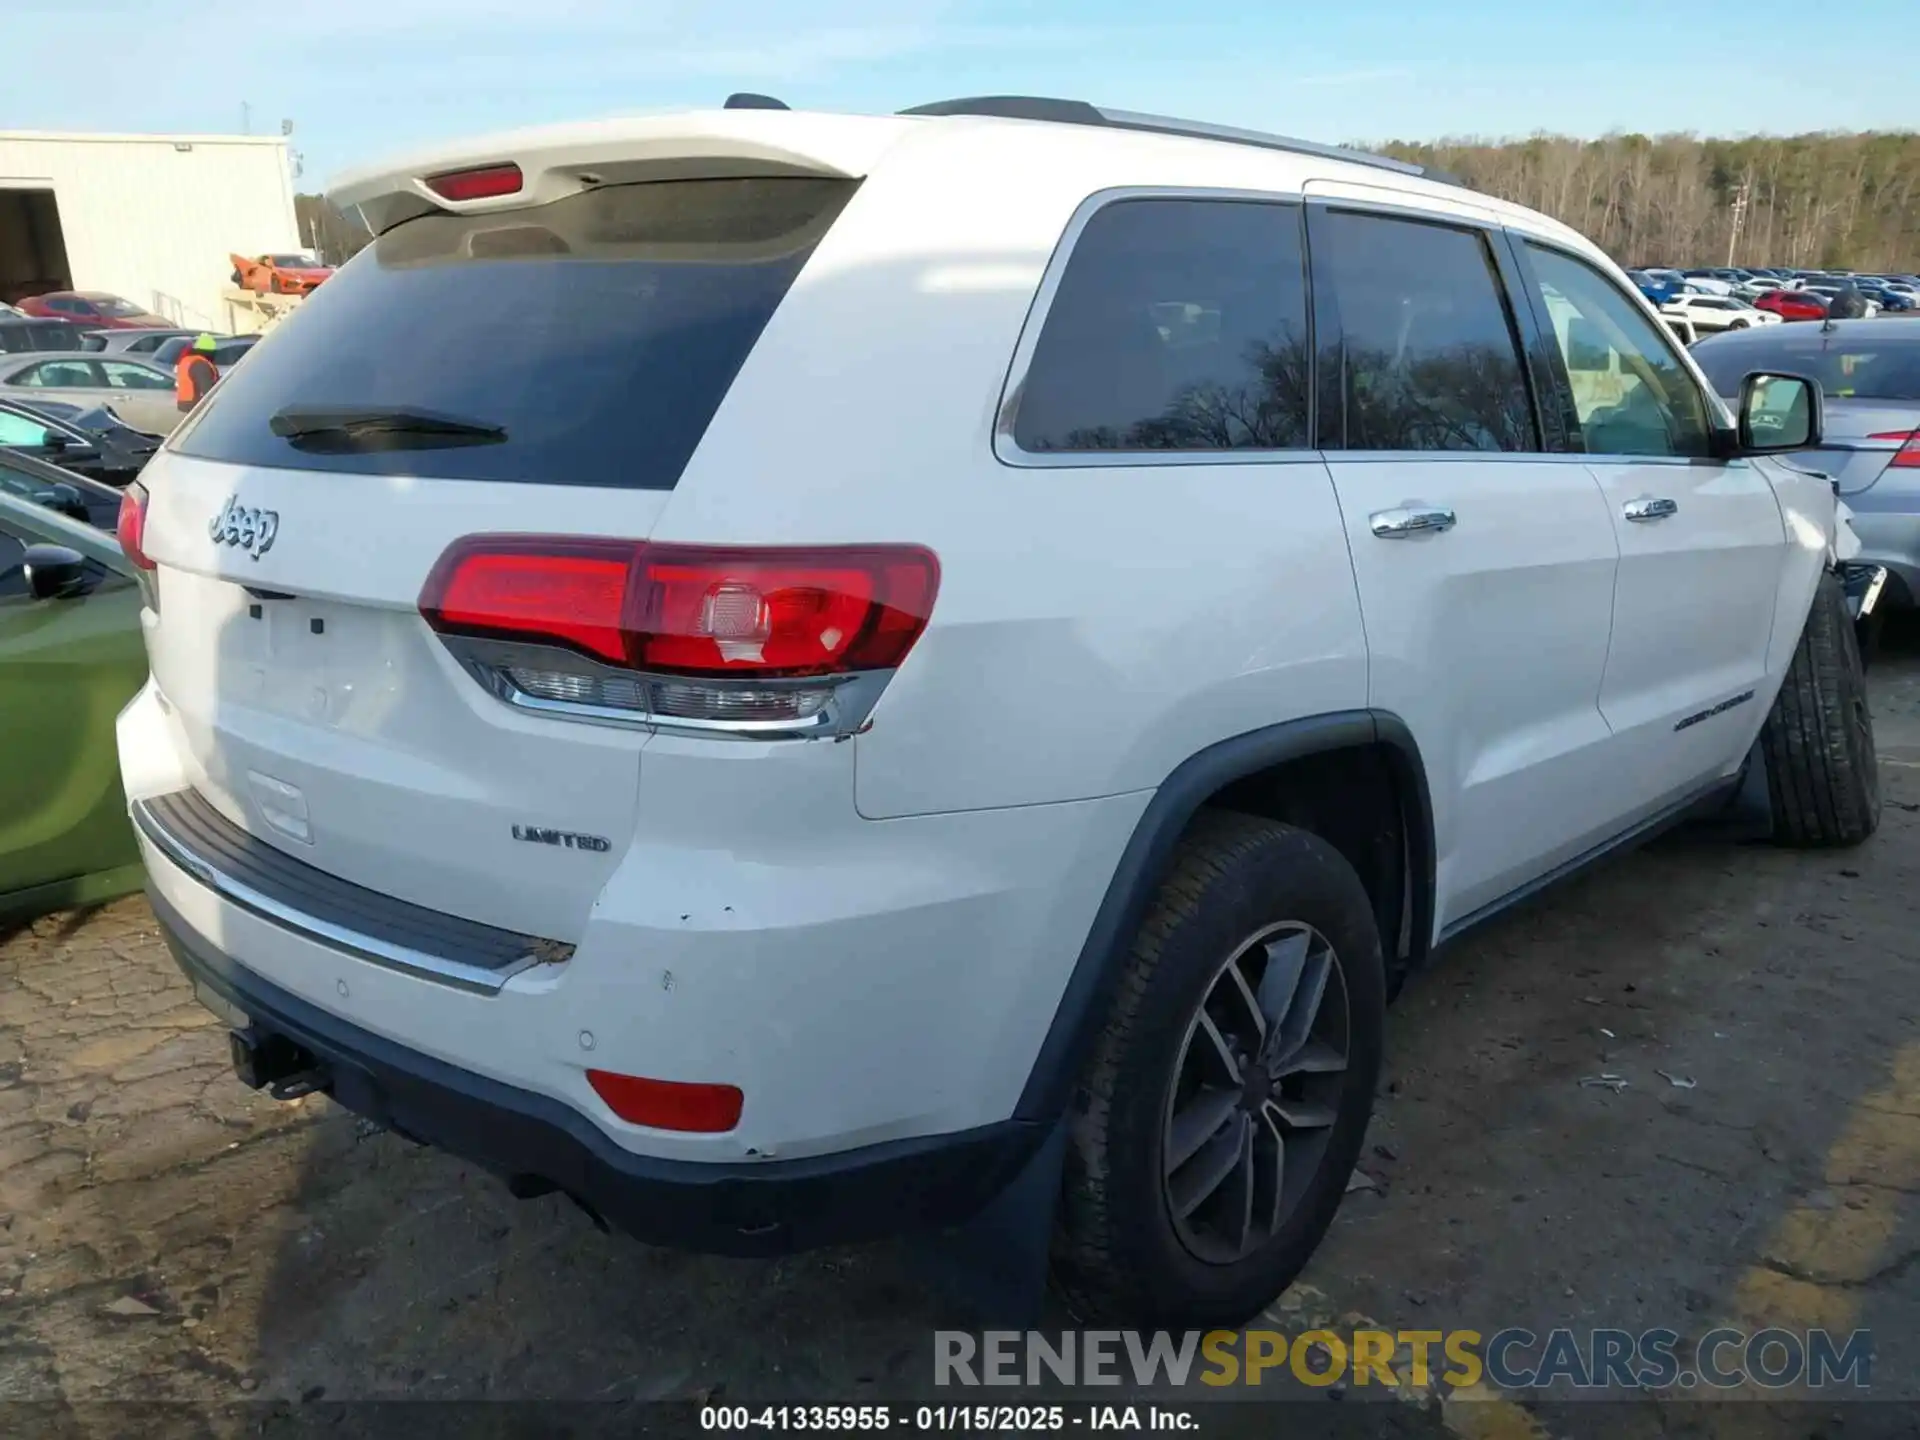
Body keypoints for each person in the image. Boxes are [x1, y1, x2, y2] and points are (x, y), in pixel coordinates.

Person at [175, 333, 220, 412]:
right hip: (195, 406)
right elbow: (208, 390)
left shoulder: (187, 360)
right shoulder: (200, 364)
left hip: (185, 403)